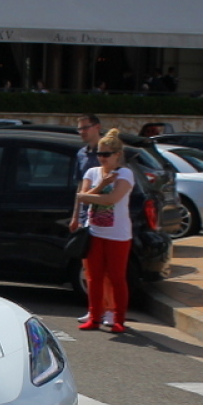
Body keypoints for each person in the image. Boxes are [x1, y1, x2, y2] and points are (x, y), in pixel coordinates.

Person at [74, 128, 135, 334]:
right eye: (99, 154)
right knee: (93, 277)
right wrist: (102, 185)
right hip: (95, 232)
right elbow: (81, 197)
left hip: (118, 235)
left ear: (117, 155)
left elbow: (111, 199)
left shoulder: (125, 174)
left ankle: (118, 318)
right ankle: (94, 316)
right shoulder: (92, 173)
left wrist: (92, 195)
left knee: (117, 277)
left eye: (106, 154)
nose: (102, 158)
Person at [70, 114, 115, 327]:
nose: (82, 132)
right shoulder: (81, 154)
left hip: (106, 215)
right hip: (86, 217)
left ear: (97, 127)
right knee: (89, 268)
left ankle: (110, 310)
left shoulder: (109, 151)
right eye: (79, 129)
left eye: (85, 128)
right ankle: (94, 309)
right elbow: (80, 188)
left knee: (105, 269)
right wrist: (75, 216)